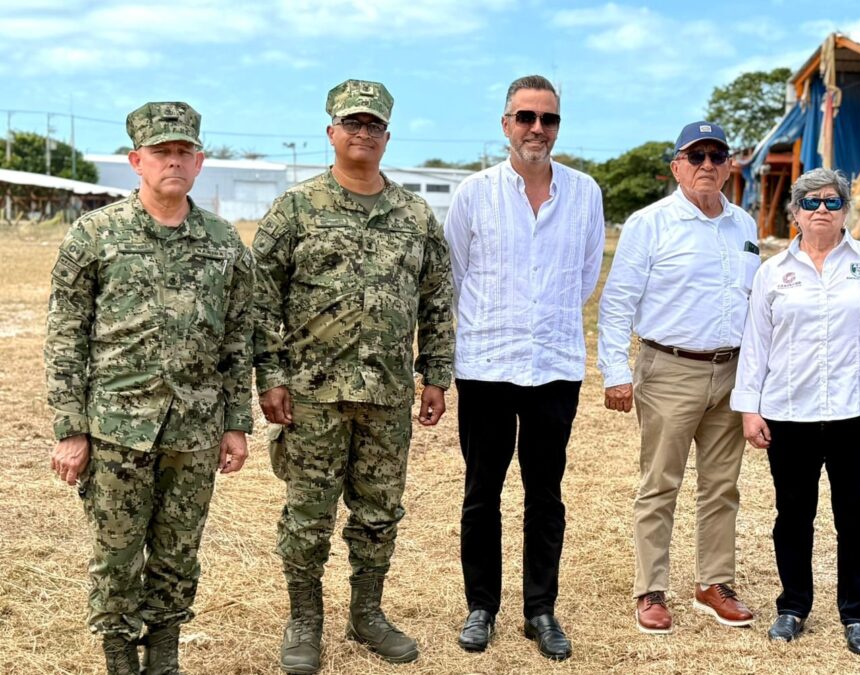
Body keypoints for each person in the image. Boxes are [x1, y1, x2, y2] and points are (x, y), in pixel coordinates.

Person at [252, 79, 454, 671]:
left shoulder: (414, 214)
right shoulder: (295, 208)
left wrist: (436, 374)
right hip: (311, 395)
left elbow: (437, 299)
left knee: (378, 511)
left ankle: (366, 612)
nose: (363, 133)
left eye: (374, 126)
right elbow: (260, 299)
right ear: (332, 133)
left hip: (387, 394)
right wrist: (271, 376)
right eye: (352, 124)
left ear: (387, 136)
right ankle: (304, 620)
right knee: (308, 514)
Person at [45, 102, 253, 675]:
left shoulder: (223, 242)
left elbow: (238, 339)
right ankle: (119, 658)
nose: (174, 162)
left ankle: (163, 654)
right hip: (115, 430)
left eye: (185, 152)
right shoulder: (96, 235)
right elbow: (66, 338)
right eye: (162, 152)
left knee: (178, 553)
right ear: (137, 160)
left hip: (194, 430)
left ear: (201, 161)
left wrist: (236, 422)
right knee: (116, 556)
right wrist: (71, 429)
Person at [444, 74, 604, 660]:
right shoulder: (472, 195)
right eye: (526, 117)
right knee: (482, 493)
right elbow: (455, 277)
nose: (537, 128)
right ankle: (480, 606)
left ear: (558, 125)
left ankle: (540, 609)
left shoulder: (585, 192)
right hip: (486, 365)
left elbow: (586, 277)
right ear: (505, 123)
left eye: (549, 119)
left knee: (546, 494)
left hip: (555, 367)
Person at [731, 167, 860, 654]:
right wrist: (750, 409)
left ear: (844, 211)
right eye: (811, 202)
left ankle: (856, 614)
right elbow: (756, 345)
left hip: (858, 413)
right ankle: (793, 606)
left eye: (832, 202)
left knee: (856, 517)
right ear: (794, 212)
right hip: (789, 414)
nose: (821, 210)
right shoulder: (773, 272)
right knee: (793, 515)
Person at [597, 121, 759, 635]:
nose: (707, 165)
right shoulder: (650, 223)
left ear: (730, 166)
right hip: (668, 368)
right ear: (677, 166)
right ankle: (651, 589)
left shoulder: (745, 226)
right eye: (696, 156)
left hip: (732, 371)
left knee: (722, 486)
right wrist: (615, 373)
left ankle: (714, 583)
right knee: (660, 483)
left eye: (717, 155)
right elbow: (617, 302)